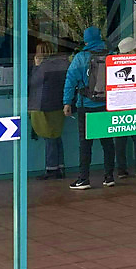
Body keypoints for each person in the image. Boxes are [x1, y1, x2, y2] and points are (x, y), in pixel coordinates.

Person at [64, 27, 114, 189]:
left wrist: (67, 102)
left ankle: (84, 179)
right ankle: (109, 177)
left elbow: (70, 81)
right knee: (107, 142)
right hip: (106, 105)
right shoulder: (110, 55)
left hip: (86, 106)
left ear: (86, 41)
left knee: (85, 144)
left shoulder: (80, 58)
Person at [29, 40, 68, 178]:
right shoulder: (62, 64)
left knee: (48, 137)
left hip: (44, 106)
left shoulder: (43, 67)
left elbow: (34, 82)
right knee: (56, 136)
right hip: (59, 104)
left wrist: (36, 66)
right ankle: (60, 166)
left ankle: (51, 169)